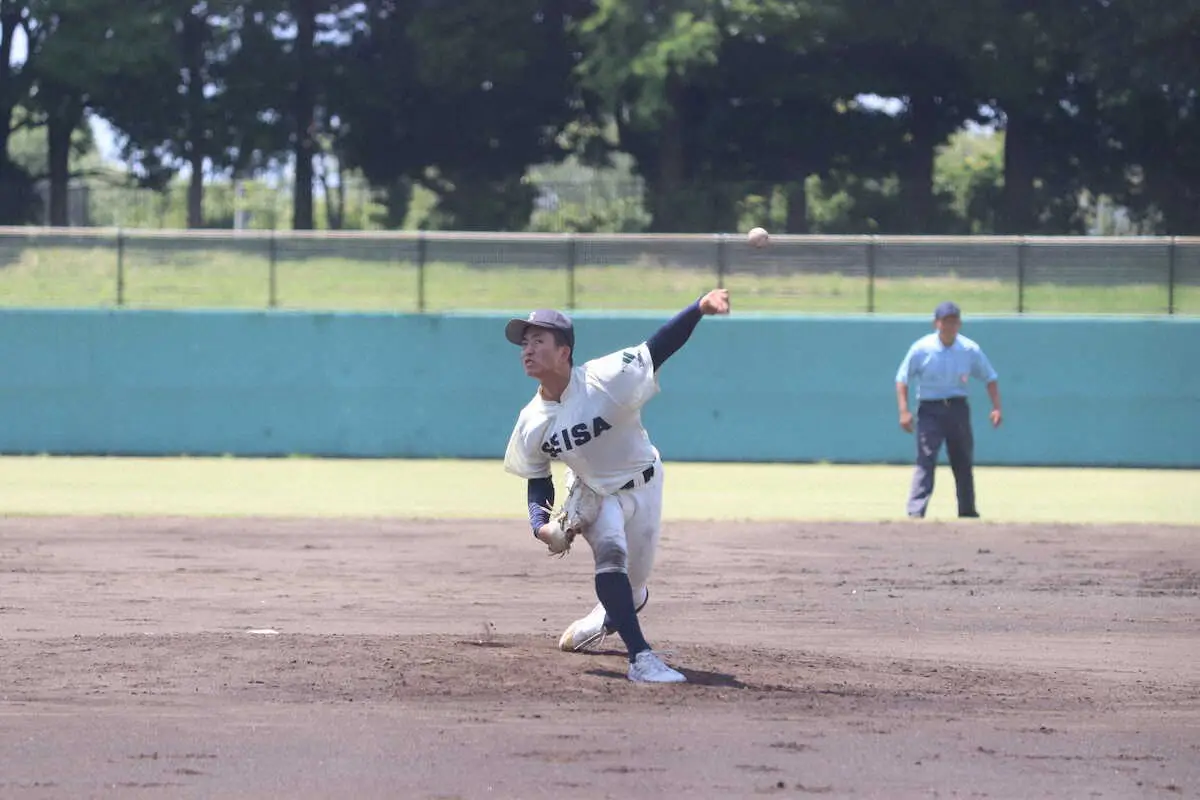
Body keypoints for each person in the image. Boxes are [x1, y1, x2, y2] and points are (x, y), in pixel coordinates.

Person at [502, 289, 732, 683]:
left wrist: (699, 308)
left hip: (645, 482)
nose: (527, 349)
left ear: (564, 352)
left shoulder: (605, 377)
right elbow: (538, 477)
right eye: (524, 342)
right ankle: (641, 658)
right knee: (610, 554)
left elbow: (659, 347)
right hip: (593, 492)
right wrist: (539, 526)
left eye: (538, 340)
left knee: (635, 585)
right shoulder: (531, 421)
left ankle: (610, 613)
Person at [895, 301, 1003, 519]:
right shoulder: (922, 348)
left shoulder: (969, 349)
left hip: (957, 408)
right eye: (945, 321)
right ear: (936, 323)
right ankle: (916, 511)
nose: (950, 326)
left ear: (959, 324)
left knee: (962, 459)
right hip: (930, 409)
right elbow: (902, 378)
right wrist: (904, 411)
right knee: (926, 459)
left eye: (954, 321)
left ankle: (967, 510)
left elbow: (990, 377)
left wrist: (996, 407)